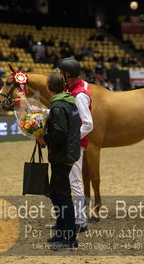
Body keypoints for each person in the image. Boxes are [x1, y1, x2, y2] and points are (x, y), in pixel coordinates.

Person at [36, 72, 81, 249]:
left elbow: (60, 132)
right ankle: (62, 232)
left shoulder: (57, 106)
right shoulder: (70, 102)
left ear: (48, 87)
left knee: (62, 196)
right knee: (56, 194)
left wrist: (44, 139)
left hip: (62, 156)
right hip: (69, 153)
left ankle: (69, 239)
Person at [58, 57, 93, 232]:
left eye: (61, 72)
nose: (59, 75)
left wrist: (71, 138)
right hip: (72, 143)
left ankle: (81, 221)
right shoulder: (70, 89)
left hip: (75, 145)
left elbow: (88, 123)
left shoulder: (79, 95)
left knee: (75, 182)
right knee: (70, 182)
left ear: (67, 75)